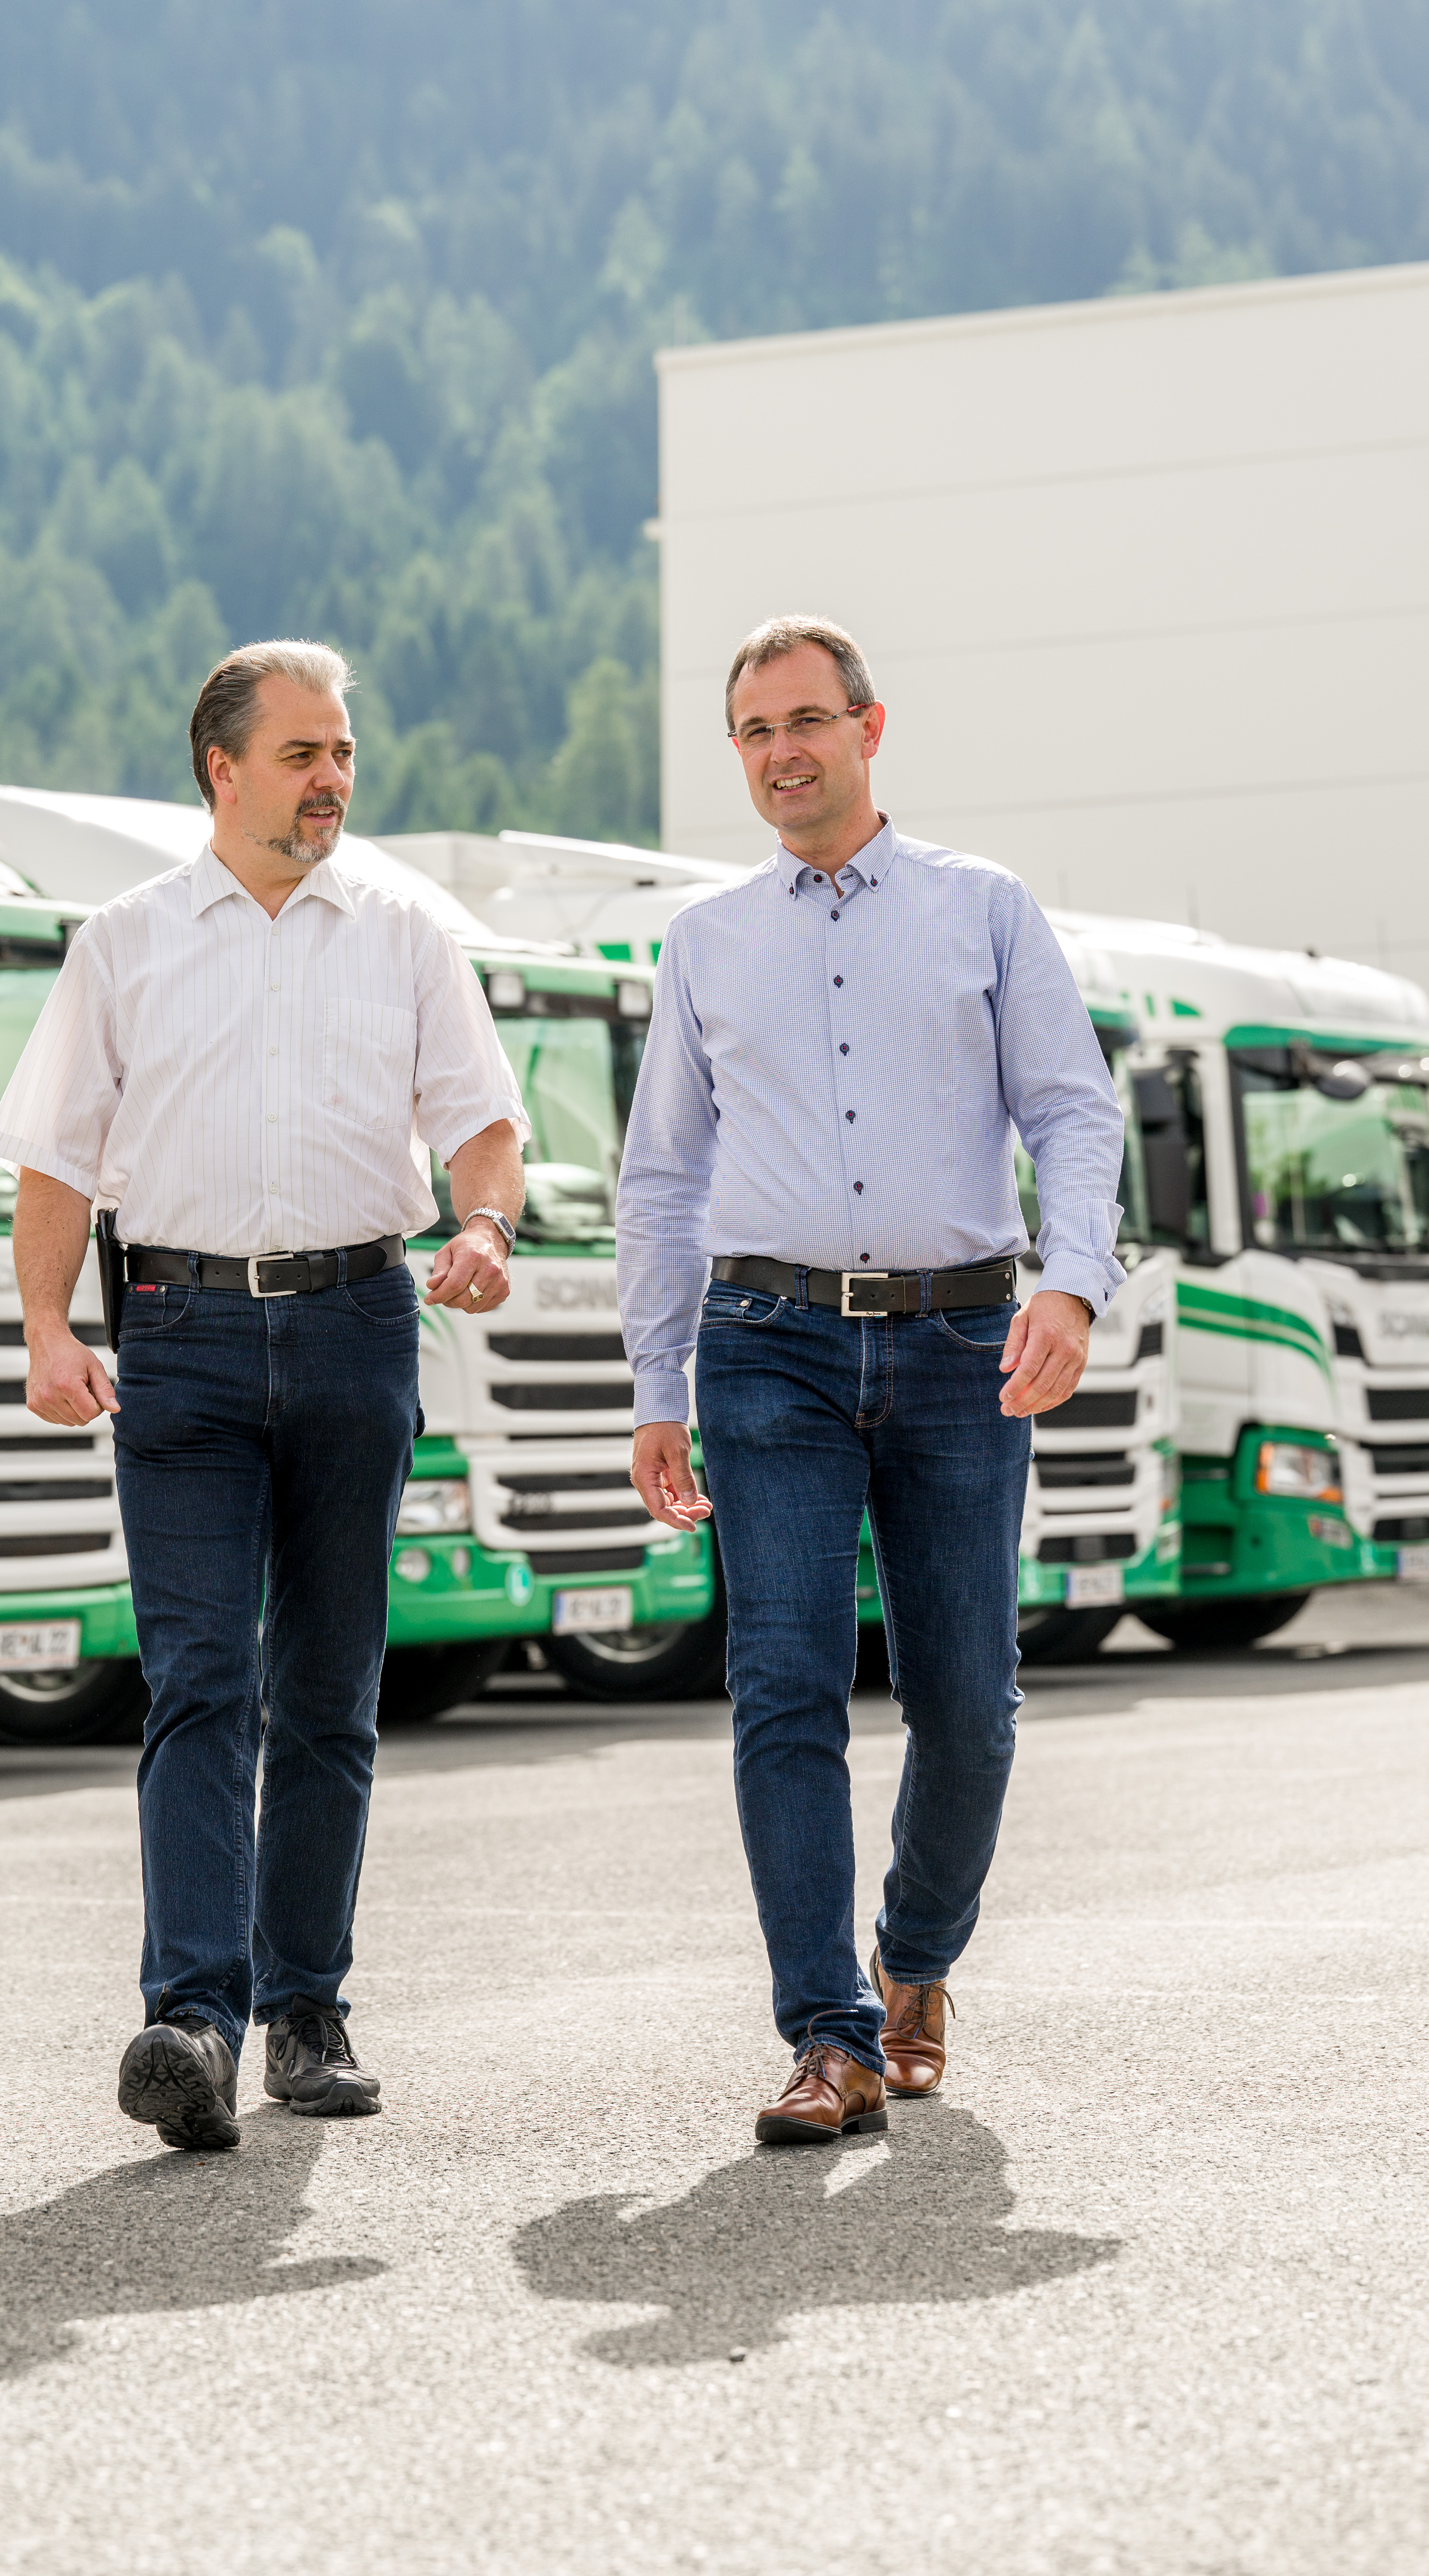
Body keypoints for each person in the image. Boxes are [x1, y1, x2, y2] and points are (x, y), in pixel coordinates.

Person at [0, 638, 528, 2150]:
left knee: (333, 1690)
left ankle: (307, 2011)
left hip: (360, 1320)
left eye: (344, 751)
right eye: (303, 754)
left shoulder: (409, 933)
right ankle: (193, 2022)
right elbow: (56, 1156)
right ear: (222, 767)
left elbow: (483, 1125)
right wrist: (45, 1325)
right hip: (183, 1333)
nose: (334, 779)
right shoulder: (127, 942)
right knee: (202, 1680)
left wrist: (482, 1227)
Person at [616, 615, 1124, 2145]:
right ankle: (826, 2035)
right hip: (765, 1344)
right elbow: (661, 1179)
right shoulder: (707, 939)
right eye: (755, 732)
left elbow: (1073, 1113)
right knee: (783, 1689)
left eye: (806, 722)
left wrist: (1076, 1287)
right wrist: (657, 1380)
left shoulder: (984, 908)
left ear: (869, 727)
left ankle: (916, 1959)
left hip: (965, 1342)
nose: (782, 753)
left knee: (967, 1706)